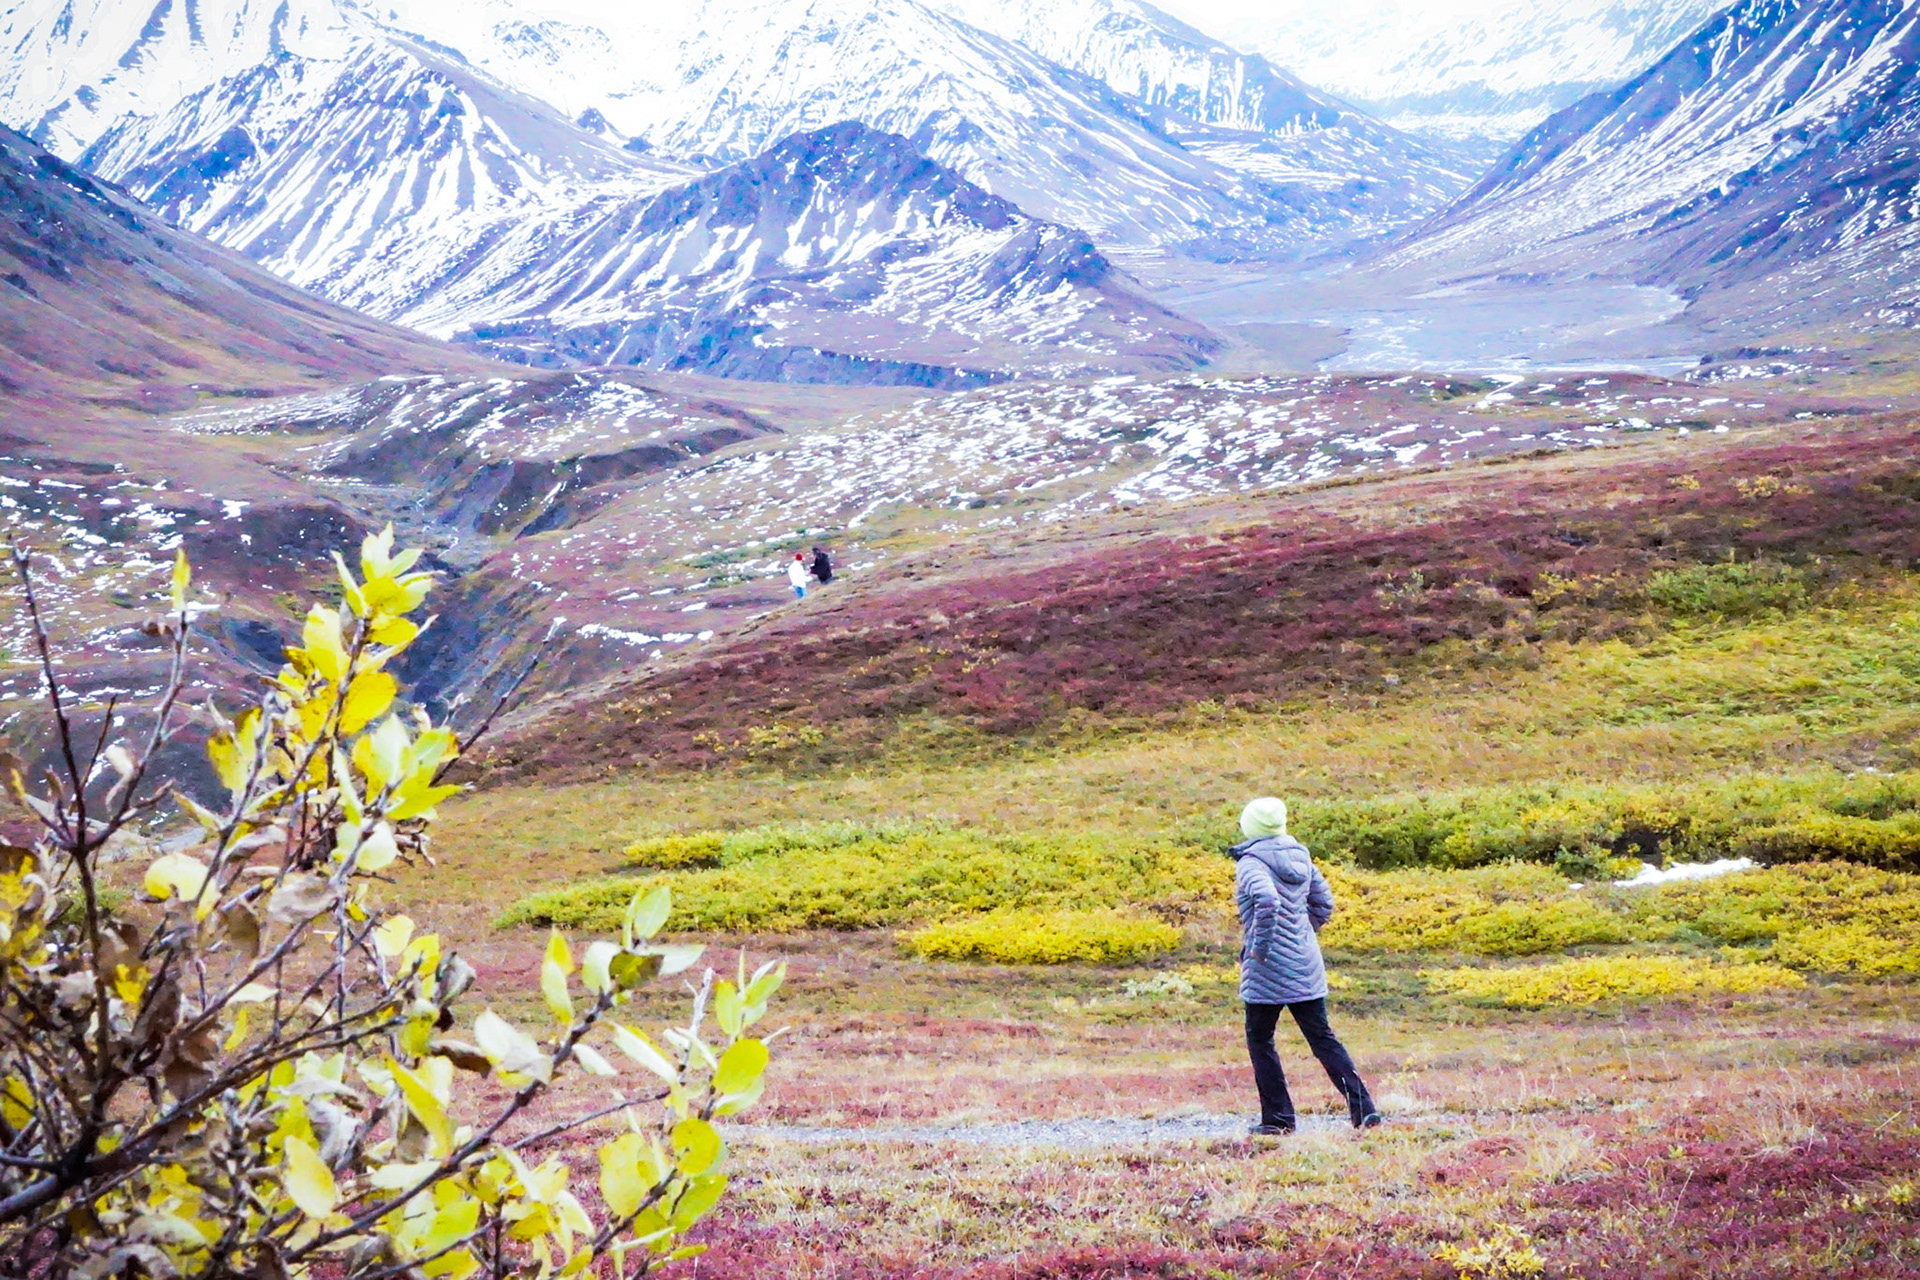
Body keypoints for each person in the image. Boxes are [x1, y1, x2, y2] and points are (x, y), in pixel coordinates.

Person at [1230, 796, 1380, 1135]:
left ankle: (1279, 1119)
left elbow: (1266, 900)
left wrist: (1260, 947)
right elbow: (1324, 903)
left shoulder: (1251, 862)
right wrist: (1301, 934)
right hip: (1306, 962)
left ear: (1250, 826)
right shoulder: (1301, 856)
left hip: (1267, 968)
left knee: (1259, 1037)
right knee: (1323, 1038)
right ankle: (1364, 1109)